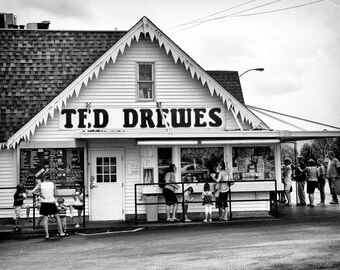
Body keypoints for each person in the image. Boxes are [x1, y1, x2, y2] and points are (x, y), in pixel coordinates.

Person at [32, 174, 65, 239]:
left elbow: (33, 191)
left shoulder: (40, 184)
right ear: (49, 178)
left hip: (44, 203)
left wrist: (40, 194)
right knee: (57, 217)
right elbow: (56, 194)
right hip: (51, 202)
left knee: (45, 218)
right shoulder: (52, 184)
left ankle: (47, 235)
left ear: (43, 177)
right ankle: (61, 232)